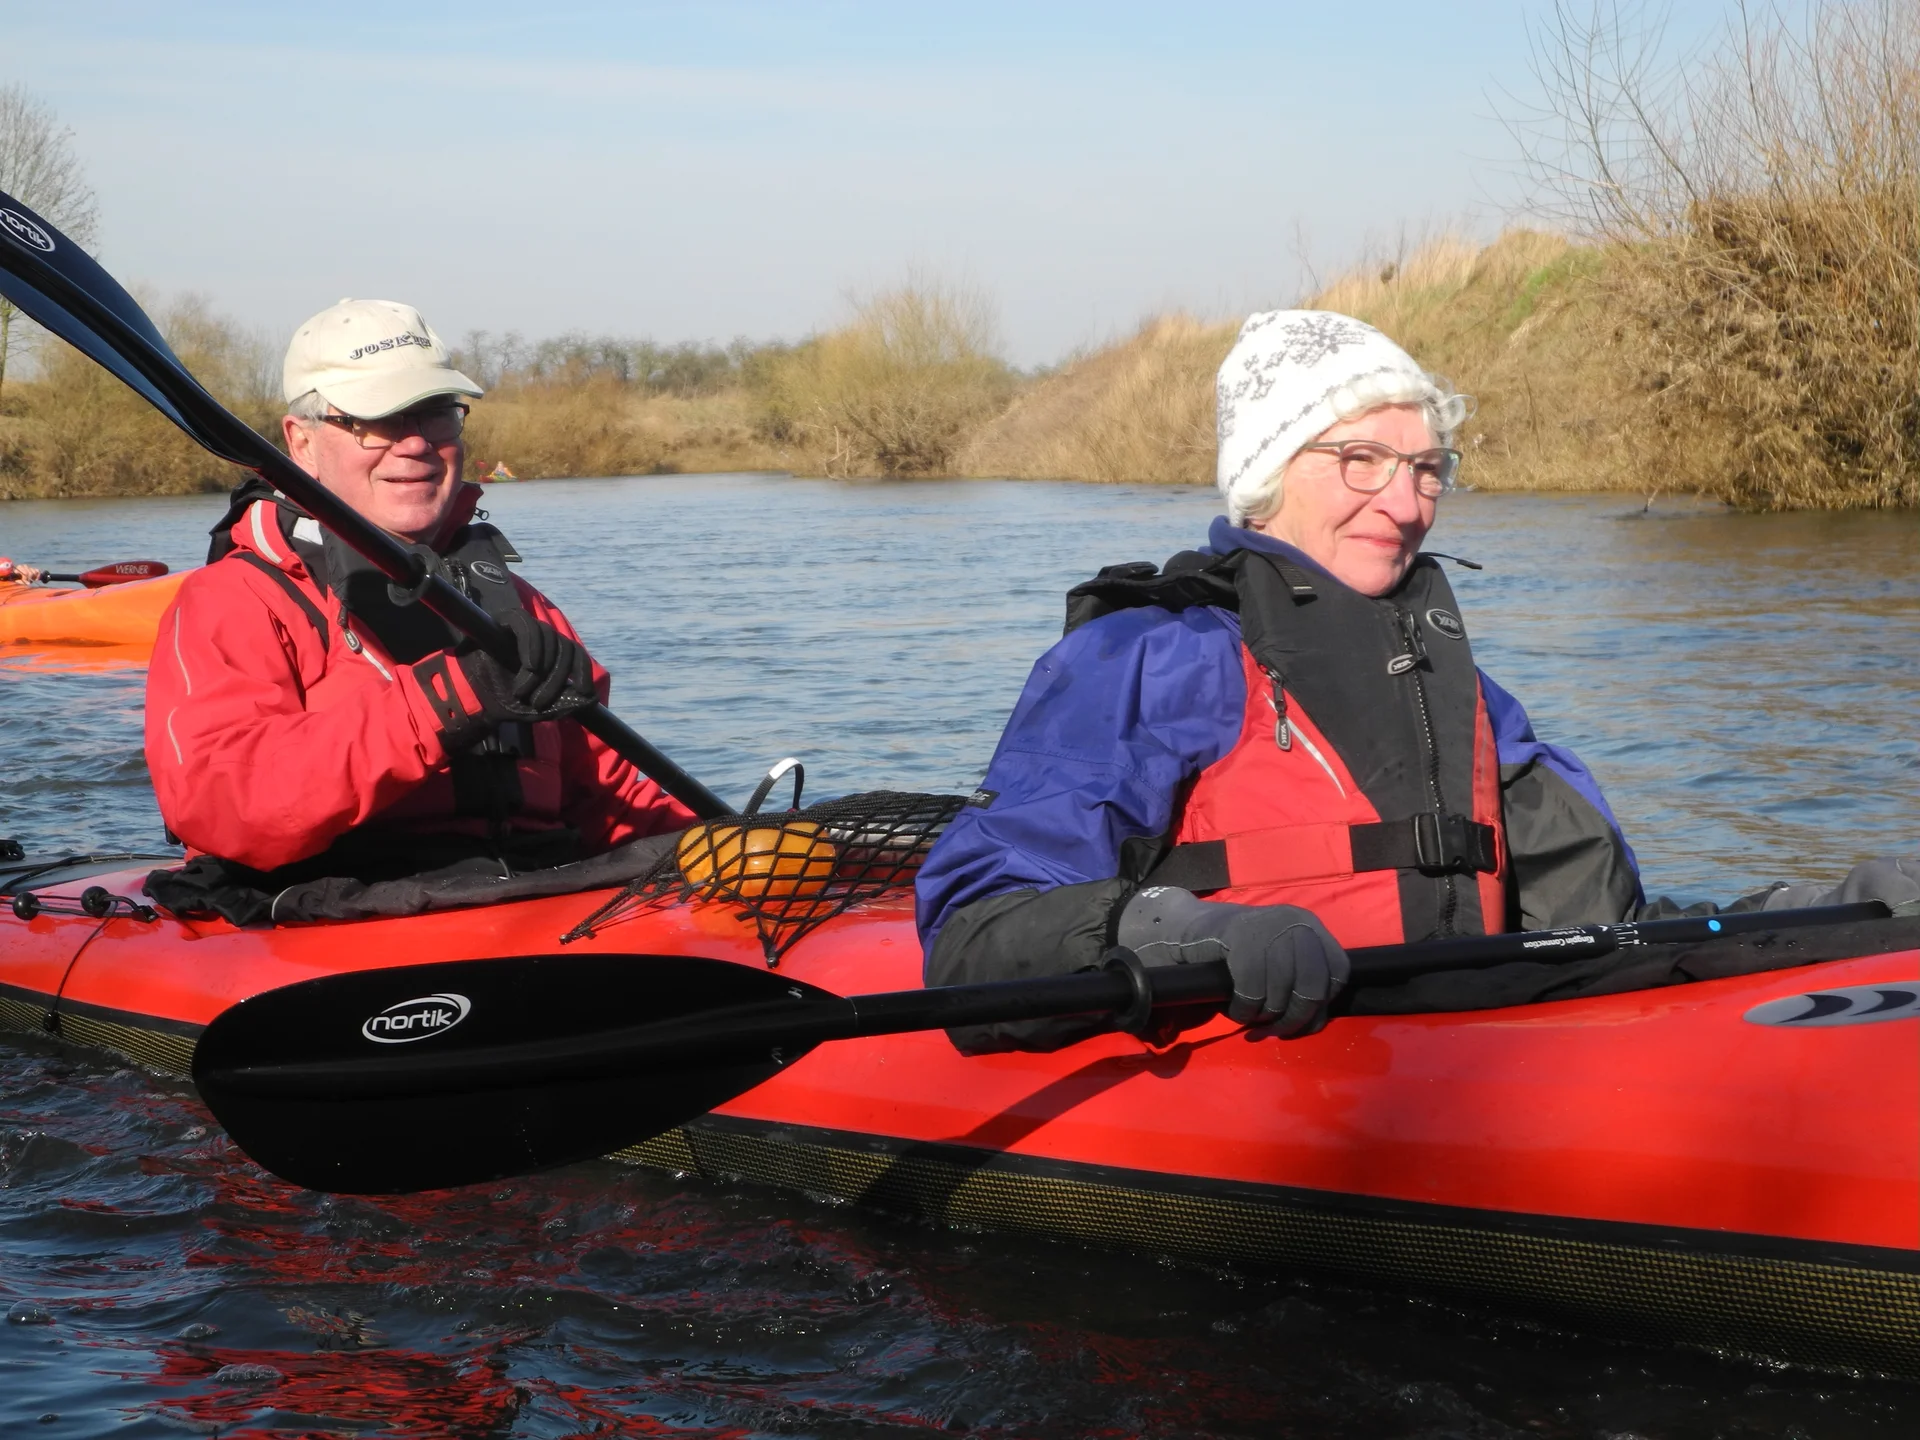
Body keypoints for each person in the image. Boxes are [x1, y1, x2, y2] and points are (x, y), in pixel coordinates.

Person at [914, 310, 1916, 1053]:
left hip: (1451, 1046)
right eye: (1361, 460)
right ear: (1266, 473)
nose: (1406, 504)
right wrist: (1188, 931)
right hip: (1252, 1055)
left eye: (1428, 468)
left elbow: (1607, 934)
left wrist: (1844, 911)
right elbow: (974, 931)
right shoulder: (1149, 654)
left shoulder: (1465, 693)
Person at [144, 298, 692, 886]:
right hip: (335, 920)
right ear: (302, 443)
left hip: (528, 902)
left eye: (435, 412)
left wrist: (719, 842)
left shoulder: (522, 605)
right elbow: (224, 807)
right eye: (377, 419)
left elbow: (604, 798)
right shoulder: (232, 602)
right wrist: (453, 696)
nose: (415, 444)